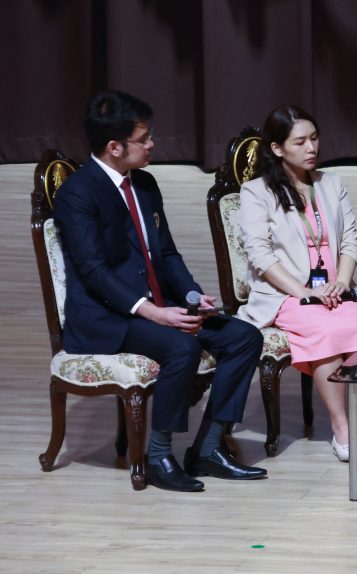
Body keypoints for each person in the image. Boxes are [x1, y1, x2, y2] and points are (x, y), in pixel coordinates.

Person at [54, 90, 266, 492]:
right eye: (144, 138)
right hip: (107, 318)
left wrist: (191, 297)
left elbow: (166, 253)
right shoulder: (78, 194)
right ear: (115, 147)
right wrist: (154, 312)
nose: (152, 144)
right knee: (181, 346)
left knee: (243, 337)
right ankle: (158, 456)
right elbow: (95, 272)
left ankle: (208, 448)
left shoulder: (145, 184)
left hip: (157, 305)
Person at [238, 105, 357, 463]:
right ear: (277, 148)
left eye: (314, 138)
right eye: (300, 142)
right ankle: (341, 427)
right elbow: (260, 254)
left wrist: (342, 282)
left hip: (334, 290)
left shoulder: (331, 184)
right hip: (287, 294)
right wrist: (304, 292)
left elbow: (350, 240)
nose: (311, 148)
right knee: (324, 327)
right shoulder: (257, 192)